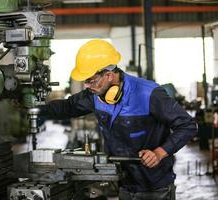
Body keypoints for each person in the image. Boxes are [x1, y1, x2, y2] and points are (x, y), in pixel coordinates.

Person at [39, 39, 197, 200]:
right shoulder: (95, 96)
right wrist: (33, 108)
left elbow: (188, 125)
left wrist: (159, 153)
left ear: (108, 75)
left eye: (90, 80)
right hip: (123, 183)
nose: (86, 86)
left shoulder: (148, 94)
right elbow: (67, 107)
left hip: (155, 187)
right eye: (84, 81)